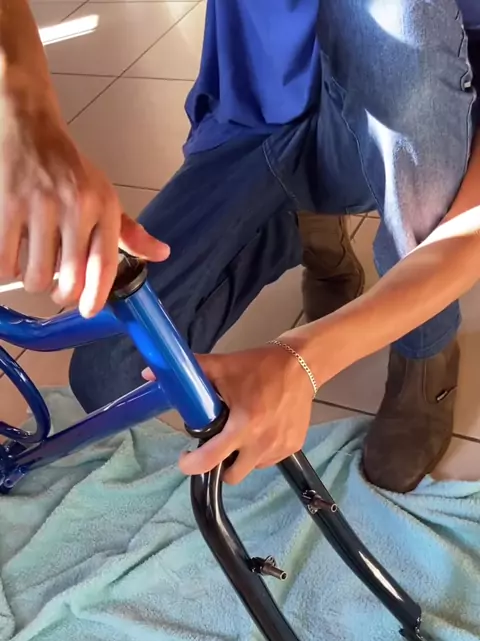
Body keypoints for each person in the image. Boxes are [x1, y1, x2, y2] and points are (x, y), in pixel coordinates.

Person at [1, 1, 480, 492]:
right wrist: (25, 113)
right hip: (265, 116)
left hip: (428, 125)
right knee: (110, 373)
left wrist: (307, 358)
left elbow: (472, 229)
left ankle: (426, 352)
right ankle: (311, 229)